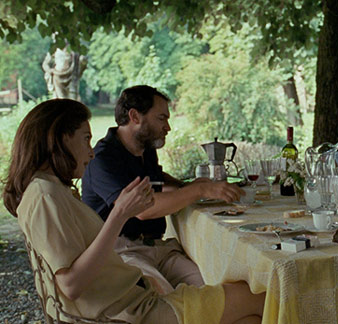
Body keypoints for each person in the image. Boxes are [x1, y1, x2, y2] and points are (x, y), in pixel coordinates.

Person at [2, 99, 264, 323]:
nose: (91, 153)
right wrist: (119, 215)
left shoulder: (48, 190)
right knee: (262, 299)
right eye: (85, 139)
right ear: (60, 139)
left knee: (251, 317)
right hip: (130, 315)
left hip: (131, 303)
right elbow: (70, 285)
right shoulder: (45, 195)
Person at [81, 85, 243, 294]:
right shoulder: (103, 159)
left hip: (158, 248)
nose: (168, 127)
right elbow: (143, 210)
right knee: (165, 303)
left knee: (214, 290)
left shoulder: (144, 150)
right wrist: (200, 190)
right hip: (121, 252)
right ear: (135, 116)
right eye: (161, 118)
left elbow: (158, 183)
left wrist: (187, 186)